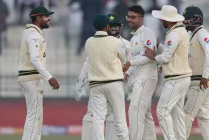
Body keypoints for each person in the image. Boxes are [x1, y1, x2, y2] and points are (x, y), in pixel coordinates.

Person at [74, 13, 131, 140]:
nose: (113, 28)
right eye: (111, 26)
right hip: (113, 83)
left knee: (99, 120)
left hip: (97, 84)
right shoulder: (116, 42)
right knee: (118, 119)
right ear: (107, 27)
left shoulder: (89, 41)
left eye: (116, 25)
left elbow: (90, 61)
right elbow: (125, 61)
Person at [144, 5, 192, 140]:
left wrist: (153, 55)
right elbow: (175, 54)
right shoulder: (181, 31)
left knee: (162, 111)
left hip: (176, 79)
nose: (160, 21)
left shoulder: (174, 34)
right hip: (182, 77)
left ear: (167, 19)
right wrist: (160, 50)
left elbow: (166, 57)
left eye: (162, 19)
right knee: (177, 113)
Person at [18, 6, 60, 140]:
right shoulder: (33, 34)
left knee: (36, 115)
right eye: (46, 16)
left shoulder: (32, 32)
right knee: (34, 115)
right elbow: (34, 59)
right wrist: (50, 77)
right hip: (32, 77)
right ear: (37, 17)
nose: (49, 18)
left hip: (30, 77)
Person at [123, 5, 158, 140]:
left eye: (133, 17)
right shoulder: (133, 39)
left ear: (141, 19)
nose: (129, 20)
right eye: (128, 17)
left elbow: (149, 57)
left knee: (135, 110)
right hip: (138, 78)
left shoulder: (147, 33)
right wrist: (126, 72)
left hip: (147, 77)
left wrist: (129, 64)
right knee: (146, 114)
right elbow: (133, 61)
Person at [183, 6, 209, 140]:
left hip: (201, 81)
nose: (185, 22)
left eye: (187, 19)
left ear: (196, 19)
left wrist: (205, 76)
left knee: (187, 113)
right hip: (201, 80)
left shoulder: (202, 33)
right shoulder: (193, 34)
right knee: (204, 116)